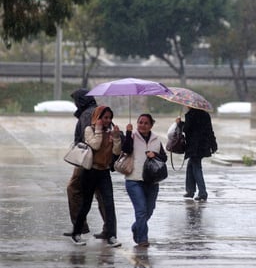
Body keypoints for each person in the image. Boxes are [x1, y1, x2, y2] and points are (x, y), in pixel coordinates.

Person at [71, 105, 122, 247]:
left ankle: (112, 235)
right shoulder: (90, 130)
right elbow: (95, 146)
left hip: (104, 172)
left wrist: (117, 138)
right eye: (105, 117)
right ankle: (76, 233)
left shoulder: (111, 132)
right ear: (97, 117)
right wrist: (99, 130)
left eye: (110, 118)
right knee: (86, 204)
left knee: (109, 204)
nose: (107, 120)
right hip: (90, 171)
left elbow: (116, 153)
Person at [64, 89, 107, 239]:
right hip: (100, 160)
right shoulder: (98, 111)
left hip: (87, 159)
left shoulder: (88, 114)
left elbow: (88, 138)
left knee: (73, 189)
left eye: (76, 100)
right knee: (101, 194)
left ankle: (80, 226)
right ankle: (109, 228)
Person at [121, 114, 167, 247]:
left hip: (152, 181)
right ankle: (143, 239)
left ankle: (136, 227)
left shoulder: (156, 140)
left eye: (146, 123)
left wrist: (155, 154)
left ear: (151, 125)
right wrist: (128, 132)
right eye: (140, 122)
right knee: (141, 210)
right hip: (134, 180)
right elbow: (126, 150)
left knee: (149, 210)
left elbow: (163, 158)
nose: (142, 125)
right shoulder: (131, 136)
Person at [177, 107, 217, 201]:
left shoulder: (191, 115)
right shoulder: (206, 115)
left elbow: (186, 129)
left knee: (196, 167)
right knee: (191, 165)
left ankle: (202, 193)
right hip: (203, 145)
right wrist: (213, 144)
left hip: (194, 146)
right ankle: (190, 191)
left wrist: (179, 123)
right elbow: (210, 130)